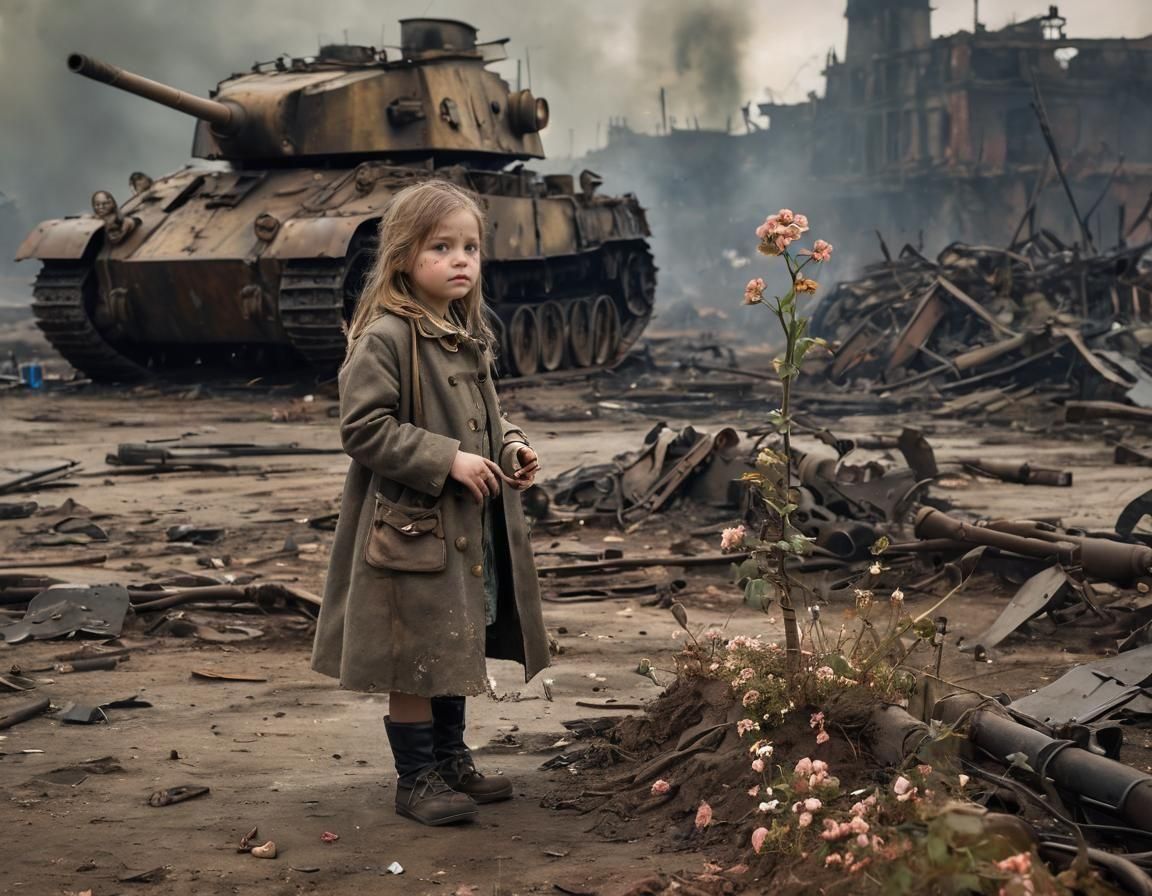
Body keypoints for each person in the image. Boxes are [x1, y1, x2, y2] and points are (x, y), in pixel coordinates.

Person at [311, 180, 551, 827]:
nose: (460, 259)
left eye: (470, 246)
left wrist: (513, 449)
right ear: (402, 257)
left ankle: (449, 760)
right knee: (413, 656)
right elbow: (363, 428)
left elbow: (488, 422)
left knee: (452, 642)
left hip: (461, 531)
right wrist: (445, 459)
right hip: (410, 530)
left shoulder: (462, 332)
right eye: (441, 246)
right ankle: (415, 779)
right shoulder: (387, 336)